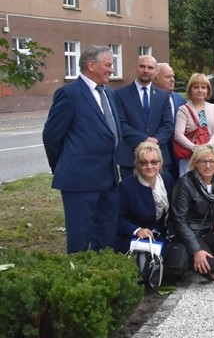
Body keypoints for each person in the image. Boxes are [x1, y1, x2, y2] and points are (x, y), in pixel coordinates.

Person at [43, 44, 121, 253]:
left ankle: (102, 275)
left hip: (109, 178)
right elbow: (52, 136)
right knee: (80, 237)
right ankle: (78, 277)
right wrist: (63, 166)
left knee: (106, 234)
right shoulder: (69, 94)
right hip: (79, 181)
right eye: (108, 65)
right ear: (91, 65)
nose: (111, 70)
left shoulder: (109, 93)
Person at [169, 144, 214, 281]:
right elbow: (180, 221)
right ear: (195, 163)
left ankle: (206, 261)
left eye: (212, 161)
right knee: (212, 265)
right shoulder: (185, 183)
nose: (208, 166)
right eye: (203, 161)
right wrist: (196, 249)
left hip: (209, 231)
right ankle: (194, 262)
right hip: (189, 233)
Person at [114, 55, 175, 180]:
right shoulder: (120, 94)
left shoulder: (163, 96)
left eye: (150, 67)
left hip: (159, 158)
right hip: (130, 159)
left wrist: (156, 141)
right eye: (142, 66)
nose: (146, 70)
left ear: (156, 71)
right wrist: (145, 140)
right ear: (136, 68)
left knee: (160, 198)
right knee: (131, 198)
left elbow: (168, 124)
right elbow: (121, 124)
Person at [116, 141, 174, 253]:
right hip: (135, 238)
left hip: (160, 233)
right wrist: (136, 230)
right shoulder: (127, 186)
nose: (149, 166)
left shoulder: (167, 180)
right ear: (136, 164)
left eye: (154, 162)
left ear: (161, 163)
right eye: (143, 163)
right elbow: (117, 218)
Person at [174, 73, 214, 177]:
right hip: (190, 157)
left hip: (209, 155)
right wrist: (195, 148)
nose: (200, 90)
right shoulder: (183, 109)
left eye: (203, 87)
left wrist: (208, 146)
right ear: (190, 89)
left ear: (208, 90)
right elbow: (178, 134)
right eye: (196, 87)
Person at [154, 62, 186, 181]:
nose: (172, 80)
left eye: (173, 77)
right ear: (155, 79)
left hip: (179, 154)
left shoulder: (179, 99)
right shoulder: (152, 99)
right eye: (167, 77)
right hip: (160, 152)